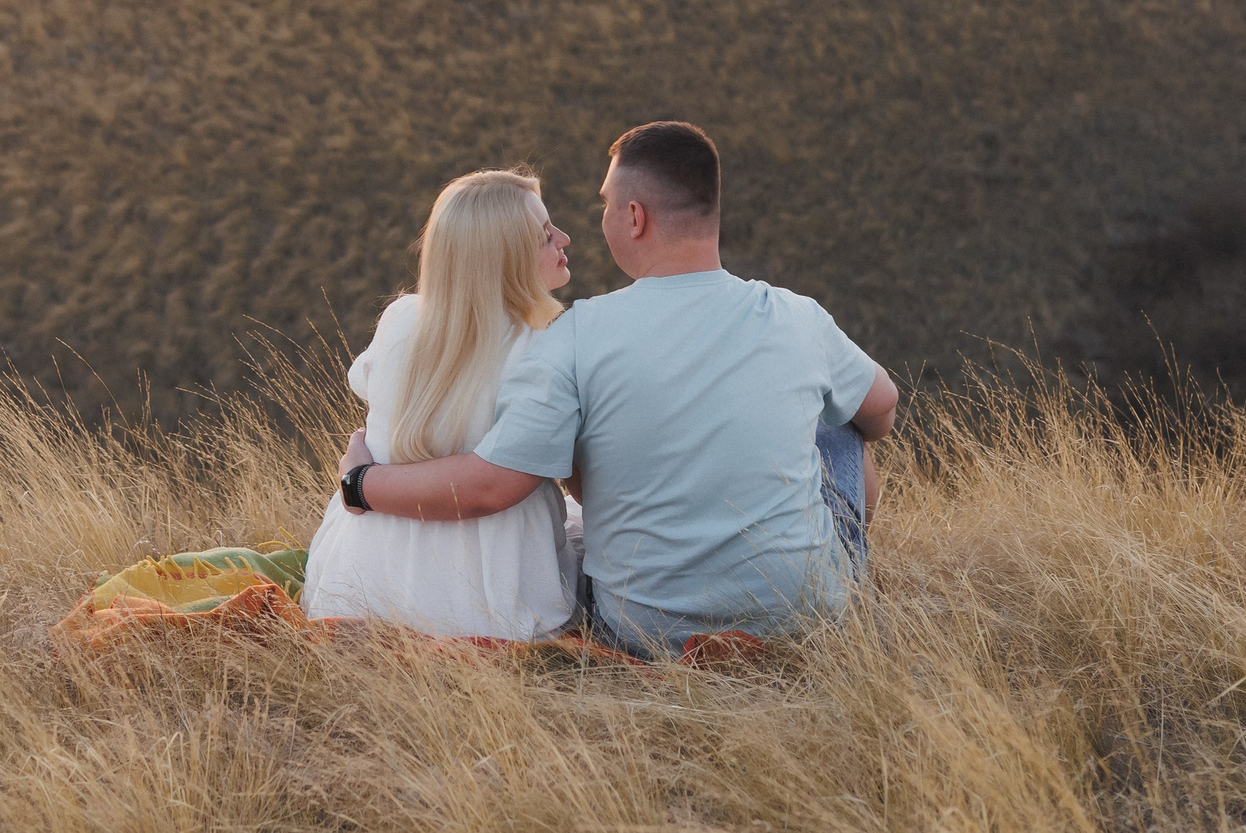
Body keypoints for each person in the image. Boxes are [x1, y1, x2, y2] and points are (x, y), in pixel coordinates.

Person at [337, 121, 897, 658]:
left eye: (605, 205)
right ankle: (841, 582)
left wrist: (361, 484)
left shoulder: (576, 335)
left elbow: (500, 484)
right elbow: (885, 408)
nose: (589, 226)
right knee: (843, 418)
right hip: (798, 616)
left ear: (634, 217)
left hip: (637, 627)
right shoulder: (798, 317)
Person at [299, 169, 582, 639]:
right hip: (490, 595)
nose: (564, 239)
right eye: (544, 235)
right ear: (504, 259)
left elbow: (370, 391)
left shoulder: (400, 319)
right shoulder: (548, 344)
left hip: (361, 584)